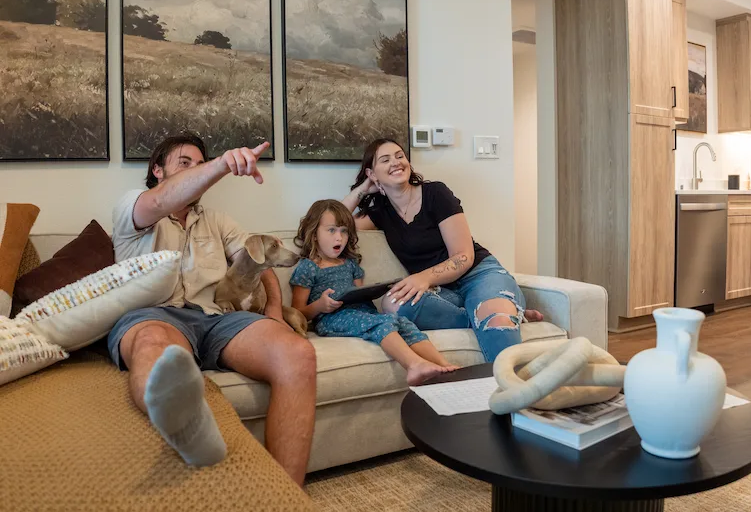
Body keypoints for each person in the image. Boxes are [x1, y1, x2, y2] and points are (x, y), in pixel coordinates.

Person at [108, 133, 315, 486]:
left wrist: (275, 314)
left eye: (199, 163)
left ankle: (287, 498)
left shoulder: (218, 220)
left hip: (218, 319)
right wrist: (221, 164)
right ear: (157, 170)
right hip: (154, 315)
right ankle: (194, 435)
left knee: (297, 354)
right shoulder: (135, 207)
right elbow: (161, 200)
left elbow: (256, 260)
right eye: (184, 163)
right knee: (153, 346)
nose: (195, 170)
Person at [342, 138, 543, 363]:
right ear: (372, 173)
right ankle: (494, 311)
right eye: (385, 160)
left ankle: (512, 391)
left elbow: (464, 256)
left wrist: (422, 278)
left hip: (478, 275)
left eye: (400, 156)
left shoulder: (435, 193)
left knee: (496, 321)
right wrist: (363, 189)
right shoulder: (380, 212)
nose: (396, 162)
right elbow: (334, 224)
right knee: (393, 303)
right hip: (442, 292)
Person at [290, 200, 458, 386]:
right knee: (383, 322)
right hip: (332, 319)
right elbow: (297, 313)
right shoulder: (308, 267)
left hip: (363, 312)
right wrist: (320, 305)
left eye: (344, 231)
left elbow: (358, 292)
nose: (339, 238)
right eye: (332, 230)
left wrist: (374, 291)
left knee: (403, 322)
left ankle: (443, 365)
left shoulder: (350, 263)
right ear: (314, 234)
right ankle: (414, 365)